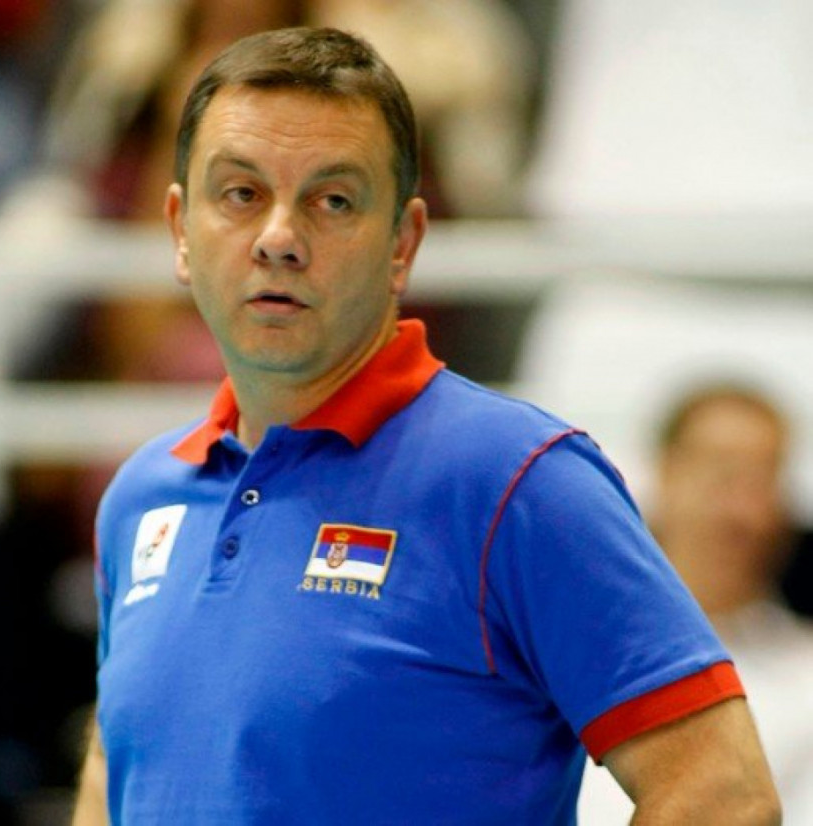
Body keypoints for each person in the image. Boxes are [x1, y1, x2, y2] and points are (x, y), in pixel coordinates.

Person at [73, 27, 780, 824]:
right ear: (179, 230)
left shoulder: (519, 482)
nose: (278, 238)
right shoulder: (143, 495)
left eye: (333, 201)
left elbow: (724, 795)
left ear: (402, 244)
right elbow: (113, 770)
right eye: (241, 194)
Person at [579, 384, 813, 823]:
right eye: (721, 476)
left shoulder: (805, 678)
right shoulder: (568, 642)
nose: (740, 513)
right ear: (665, 472)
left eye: (762, 482)